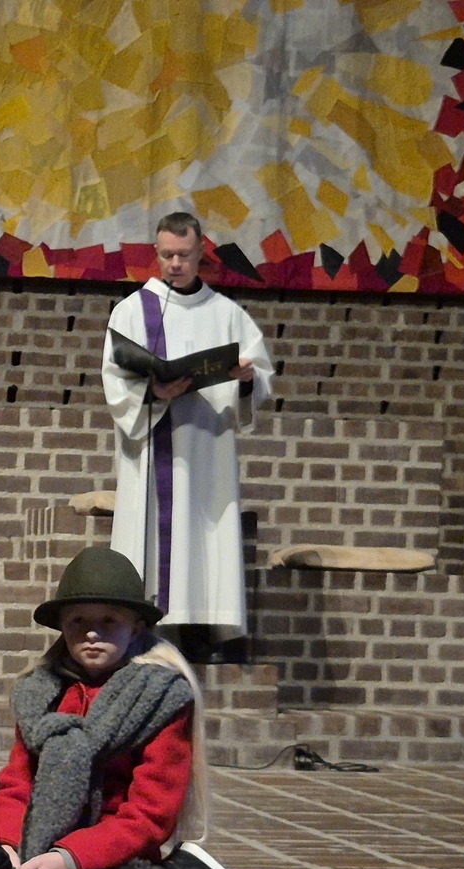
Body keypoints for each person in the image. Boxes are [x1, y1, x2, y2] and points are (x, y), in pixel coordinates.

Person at [0, 546, 265, 869]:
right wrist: (3, 844)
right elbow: (16, 785)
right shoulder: (39, 693)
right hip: (40, 845)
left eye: (108, 621)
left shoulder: (161, 696)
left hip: (117, 854)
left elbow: (148, 816)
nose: (92, 634)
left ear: (136, 626)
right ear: (62, 626)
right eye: (78, 621)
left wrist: (68, 858)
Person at [101, 210, 273, 663]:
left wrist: (247, 379)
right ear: (156, 254)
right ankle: (145, 630)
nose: (174, 264)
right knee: (157, 536)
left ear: (200, 253)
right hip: (156, 442)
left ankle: (200, 629)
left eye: (183, 255)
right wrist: (153, 392)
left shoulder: (227, 314)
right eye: (166, 255)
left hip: (207, 447)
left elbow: (260, 375)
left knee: (204, 533)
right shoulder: (133, 310)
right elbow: (114, 378)